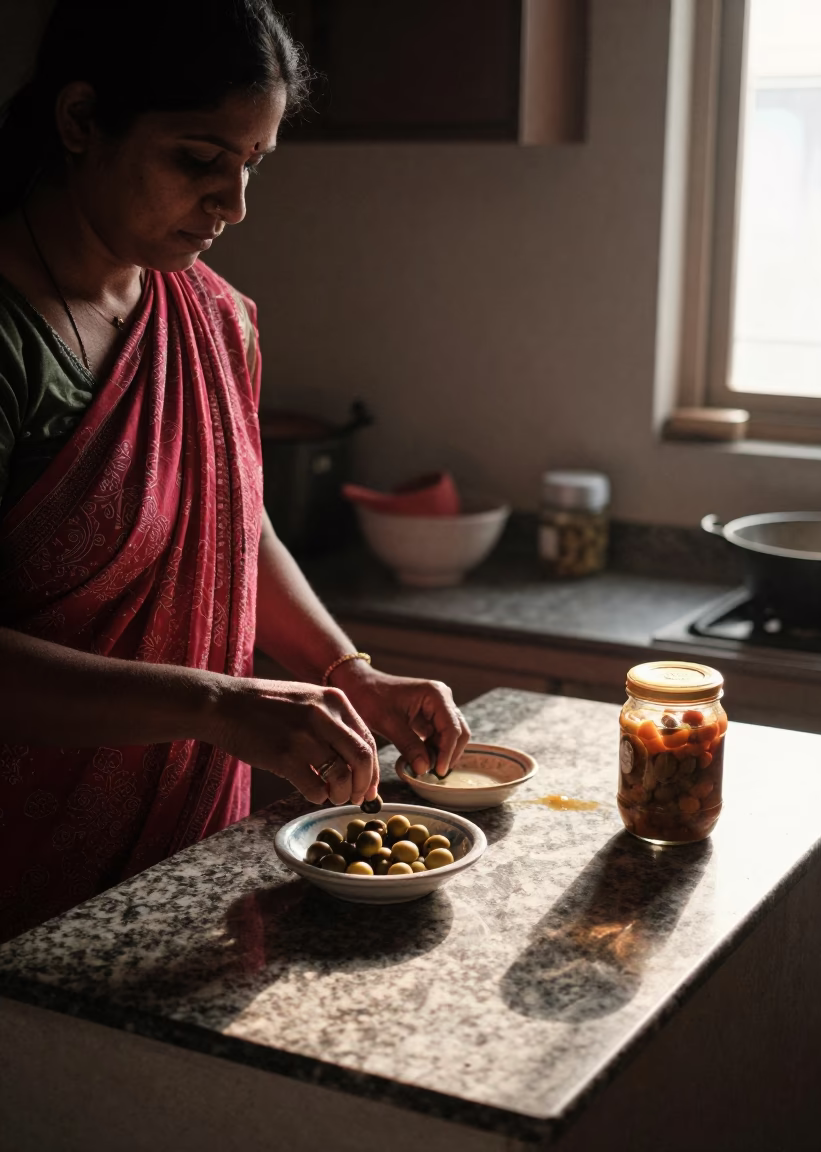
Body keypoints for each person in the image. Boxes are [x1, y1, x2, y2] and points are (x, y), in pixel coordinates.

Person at [0, 0, 470, 942]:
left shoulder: (211, 317)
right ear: (82, 120)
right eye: (198, 158)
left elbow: (230, 519)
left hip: (180, 847)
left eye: (251, 166)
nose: (234, 204)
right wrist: (220, 704)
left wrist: (350, 673)